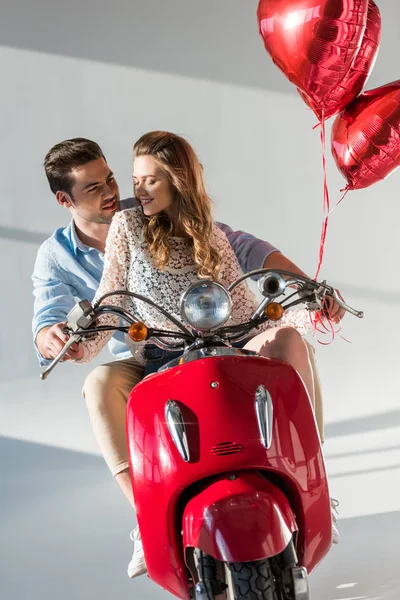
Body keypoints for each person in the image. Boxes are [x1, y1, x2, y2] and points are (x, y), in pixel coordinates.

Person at [64, 132, 343, 576]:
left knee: (292, 341)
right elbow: (111, 296)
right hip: (163, 354)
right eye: (137, 180)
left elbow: (251, 310)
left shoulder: (210, 233)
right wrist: (81, 342)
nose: (138, 192)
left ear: (178, 181)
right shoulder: (127, 227)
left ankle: (314, 486)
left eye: (150, 181)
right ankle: (145, 519)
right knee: (97, 383)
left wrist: (313, 315)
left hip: (227, 345)